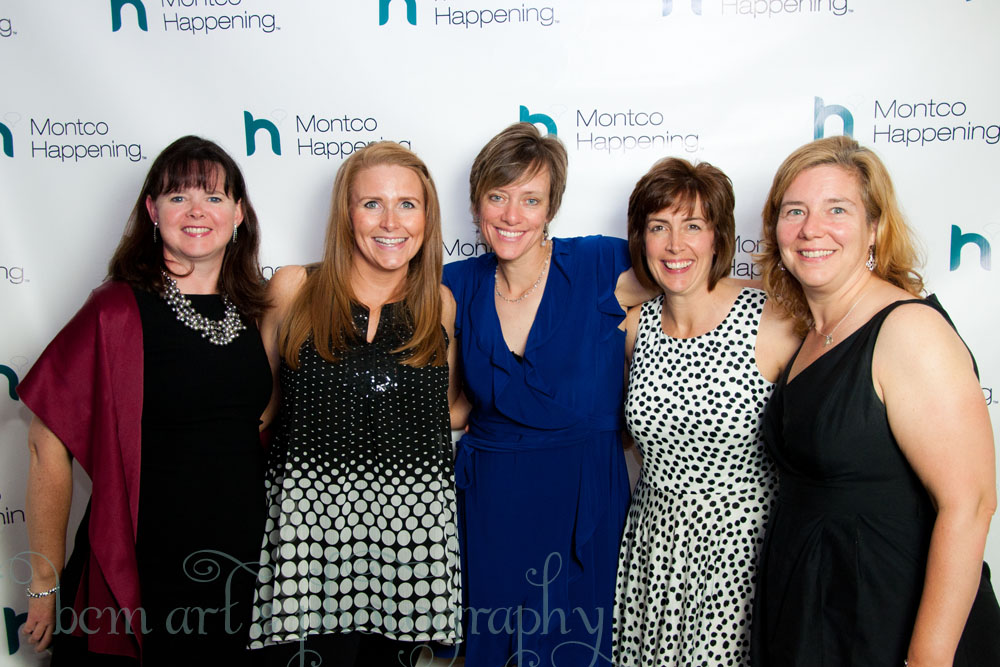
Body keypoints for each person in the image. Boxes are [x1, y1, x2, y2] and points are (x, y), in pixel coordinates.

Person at [18, 136, 271, 665]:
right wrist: (44, 579)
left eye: (214, 197)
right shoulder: (115, 309)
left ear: (238, 213)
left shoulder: (252, 310)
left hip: (239, 567)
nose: (197, 211)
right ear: (153, 212)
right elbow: (46, 443)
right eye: (179, 197)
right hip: (143, 564)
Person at [750, 135, 1000, 666]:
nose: (811, 229)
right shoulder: (815, 332)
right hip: (816, 610)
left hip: (888, 618)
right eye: (795, 211)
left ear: (875, 229)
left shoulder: (909, 329)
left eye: (837, 209)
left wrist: (927, 659)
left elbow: (970, 504)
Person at [442, 122, 650, 667]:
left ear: (551, 207)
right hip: (490, 502)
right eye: (498, 196)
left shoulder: (599, 264)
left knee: (576, 647)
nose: (512, 215)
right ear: (476, 203)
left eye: (531, 199)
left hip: (583, 495)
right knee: (493, 648)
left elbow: (691, 272)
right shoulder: (454, 284)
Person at [247, 142, 461, 666]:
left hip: (410, 542)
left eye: (407, 204)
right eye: (372, 203)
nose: (391, 221)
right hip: (307, 539)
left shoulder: (439, 303)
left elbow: (446, 411)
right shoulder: (294, 288)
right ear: (346, 213)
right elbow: (257, 409)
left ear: (427, 217)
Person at [612, 157, 800, 667]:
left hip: (742, 553)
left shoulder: (774, 319)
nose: (675, 245)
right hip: (653, 550)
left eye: (693, 225)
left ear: (718, 238)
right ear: (641, 240)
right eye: (659, 227)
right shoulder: (633, 328)